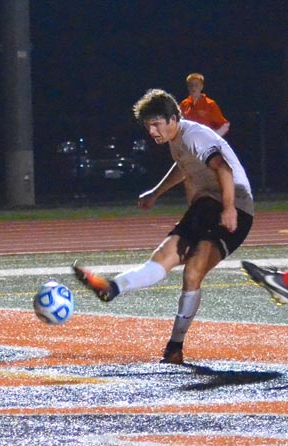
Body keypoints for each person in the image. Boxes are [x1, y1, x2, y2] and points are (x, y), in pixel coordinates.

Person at [73, 88, 254, 365]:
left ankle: (175, 346)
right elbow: (184, 166)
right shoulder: (177, 139)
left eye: (156, 124)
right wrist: (156, 192)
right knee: (162, 257)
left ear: (173, 118)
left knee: (193, 271)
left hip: (236, 205)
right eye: (148, 126)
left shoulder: (195, 135)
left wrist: (229, 209)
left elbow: (224, 170)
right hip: (206, 205)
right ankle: (113, 288)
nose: (152, 132)